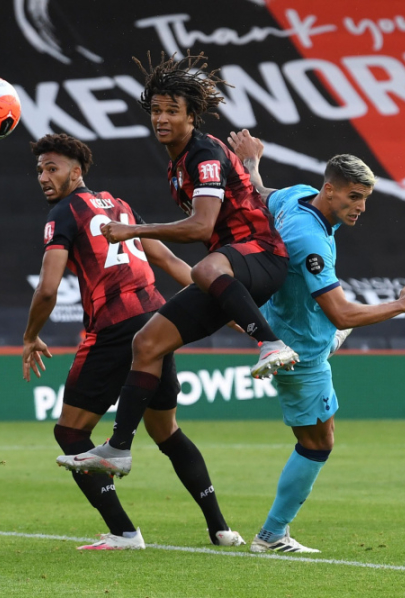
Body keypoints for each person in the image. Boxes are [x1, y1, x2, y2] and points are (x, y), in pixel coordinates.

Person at [58, 52, 298, 478]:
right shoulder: (177, 164)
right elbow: (235, 203)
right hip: (233, 265)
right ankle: (118, 448)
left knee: (207, 269)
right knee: (147, 343)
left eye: (172, 111)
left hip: (259, 253)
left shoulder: (203, 153)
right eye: (156, 110)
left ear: (192, 117)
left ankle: (272, 343)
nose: (161, 118)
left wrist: (135, 231)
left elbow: (200, 225)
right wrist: (250, 168)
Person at [23, 133, 245, 549]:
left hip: (114, 326)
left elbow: (48, 289)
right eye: (39, 170)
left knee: (70, 433)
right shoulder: (119, 206)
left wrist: (30, 336)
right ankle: (220, 528)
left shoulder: (62, 213)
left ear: (77, 171)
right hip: (156, 322)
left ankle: (124, 532)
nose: (43, 177)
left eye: (52, 168)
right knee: (167, 431)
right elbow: (170, 261)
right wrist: (225, 304)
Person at [228, 129, 405, 552]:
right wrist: (404, 303)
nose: (360, 208)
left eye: (364, 198)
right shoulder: (309, 240)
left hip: (303, 331)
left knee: (320, 429)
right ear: (330, 190)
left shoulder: (297, 195)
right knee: (318, 442)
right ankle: (272, 535)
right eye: (353, 198)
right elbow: (342, 312)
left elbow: (260, 193)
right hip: (300, 350)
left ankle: (275, 532)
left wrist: (252, 162)